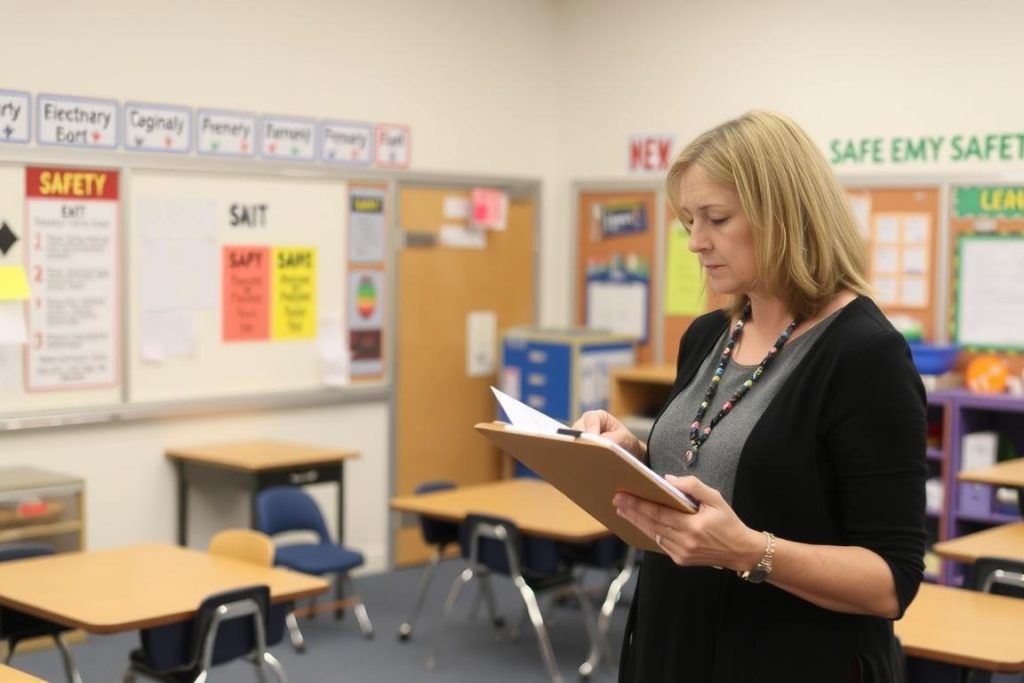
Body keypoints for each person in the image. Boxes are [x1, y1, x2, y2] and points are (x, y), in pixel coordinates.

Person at [573, 111, 927, 682]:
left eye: (716, 218)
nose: (695, 241)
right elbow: (710, 468)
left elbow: (891, 582)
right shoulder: (709, 335)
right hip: (671, 646)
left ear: (784, 215)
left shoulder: (864, 354)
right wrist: (633, 458)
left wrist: (746, 551)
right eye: (689, 220)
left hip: (790, 660)